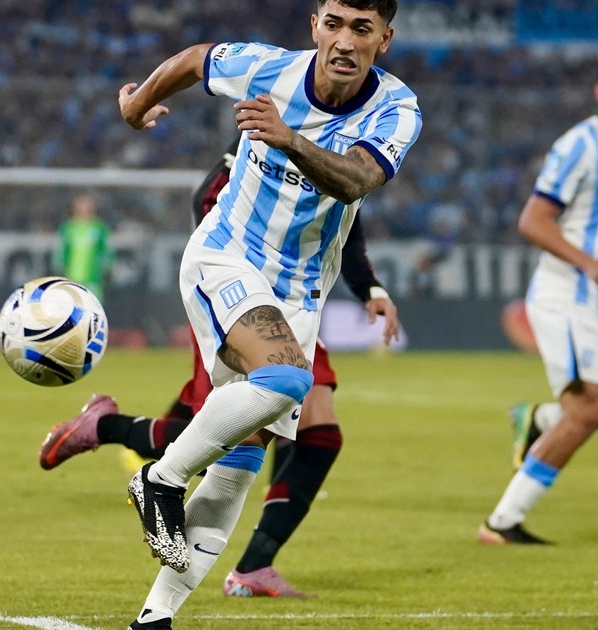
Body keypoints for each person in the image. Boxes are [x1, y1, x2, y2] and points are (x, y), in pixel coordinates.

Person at [116, 1, 419, 626]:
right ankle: (161, 479)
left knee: (240, 463)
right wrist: (137, 104)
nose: (344, 40)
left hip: (301, 293)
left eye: (361, 29)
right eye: (333, 23)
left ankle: (155, 616)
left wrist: (290, 139)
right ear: (315, 25)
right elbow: (196, 59)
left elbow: (357, 180)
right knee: (288, 376)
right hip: (227, 257)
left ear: (384, 39)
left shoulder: (397, 108)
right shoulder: (268, 68)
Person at [39, 139, 399, 599]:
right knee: (247, 429)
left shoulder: (351, 135)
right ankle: (114, 434)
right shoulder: (279, 118)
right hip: (240, 295)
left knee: (303, 433)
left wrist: (369, 287)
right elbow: (207, 195)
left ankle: (250, 564)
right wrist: (239, 267)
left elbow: (344, 214)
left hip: (298, 301)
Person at [479, 52, 598, 546]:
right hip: (566, 296)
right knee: (585, 413)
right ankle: (501, 523)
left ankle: (541, 419)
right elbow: (533, 220)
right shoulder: (579, 145)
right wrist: (588, 264)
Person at [55, 192, 112, 302]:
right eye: (80, 204)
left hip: (93, 279)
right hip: (71, 278)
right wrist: (60, 268)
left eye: (86, 204)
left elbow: (105, 250)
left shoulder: (99, 227)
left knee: (93, 306)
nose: (83, 207)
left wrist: (107, 268)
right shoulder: (68, 227)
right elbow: (61, 250)